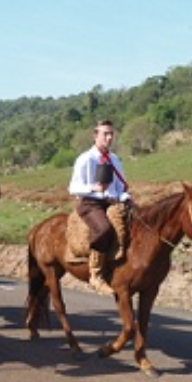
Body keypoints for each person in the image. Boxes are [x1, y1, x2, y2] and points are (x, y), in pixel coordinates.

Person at [68, 119, 133, 296]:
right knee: (104, 230)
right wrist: (93, 188)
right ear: (96, 135)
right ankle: (95, 274)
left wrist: (125, 197)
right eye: (105, 134)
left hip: (111, 202)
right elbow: (73, 188)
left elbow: (120, 187)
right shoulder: (85, 159)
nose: (109, 138)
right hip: (90, 203)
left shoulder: (114, 160)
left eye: (111, 134)